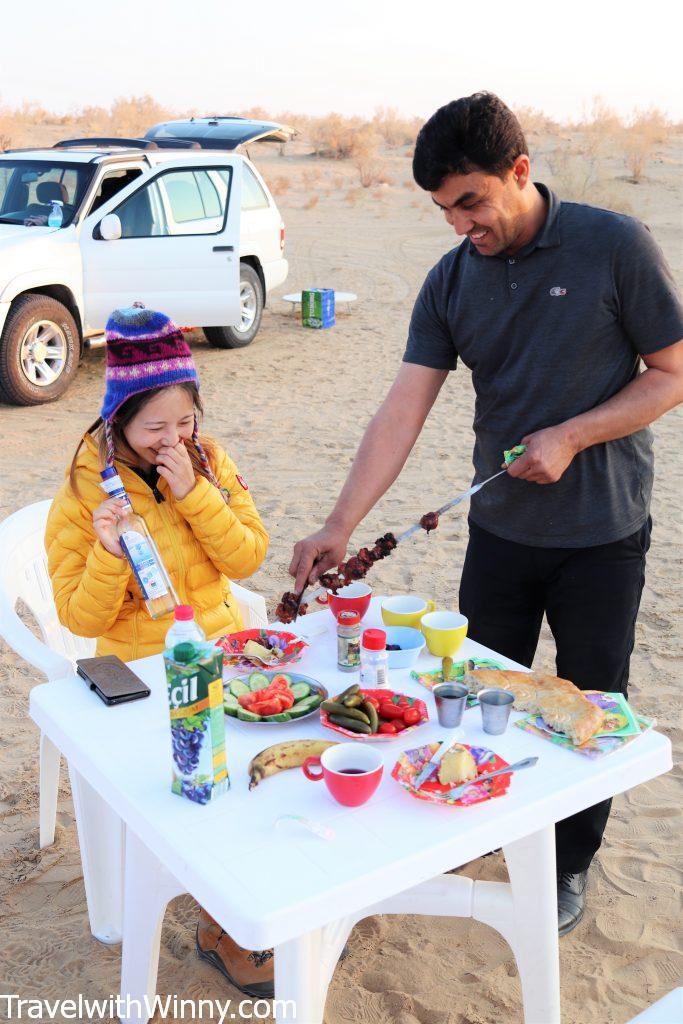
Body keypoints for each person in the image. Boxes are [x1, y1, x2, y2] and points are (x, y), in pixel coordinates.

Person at [289, 93, 683, 936]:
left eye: (471, 201)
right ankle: (480, 816)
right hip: (499, 532)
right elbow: (402, 410)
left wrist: (572, 435)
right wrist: (338, 526)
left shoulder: (613, 246)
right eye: (442, 209)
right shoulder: (450, 279)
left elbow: (671, 370)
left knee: (590, 704)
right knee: (471, 696)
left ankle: (567, 864)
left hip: (602, 534)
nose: (459, 224)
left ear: (520, 170)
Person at [45, 304, 274, 995]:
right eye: (154, 428)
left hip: (226, 654)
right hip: (145, 672)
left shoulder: (208, 464)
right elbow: (77, 614)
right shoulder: (86, 493)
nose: (172, 439)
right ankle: (221, 927)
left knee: (261, 771)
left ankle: (250, 899)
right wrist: (111, 550)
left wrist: (197, 495)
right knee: (197, 786)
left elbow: (248, 558)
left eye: (185, 422)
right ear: (118, 420)